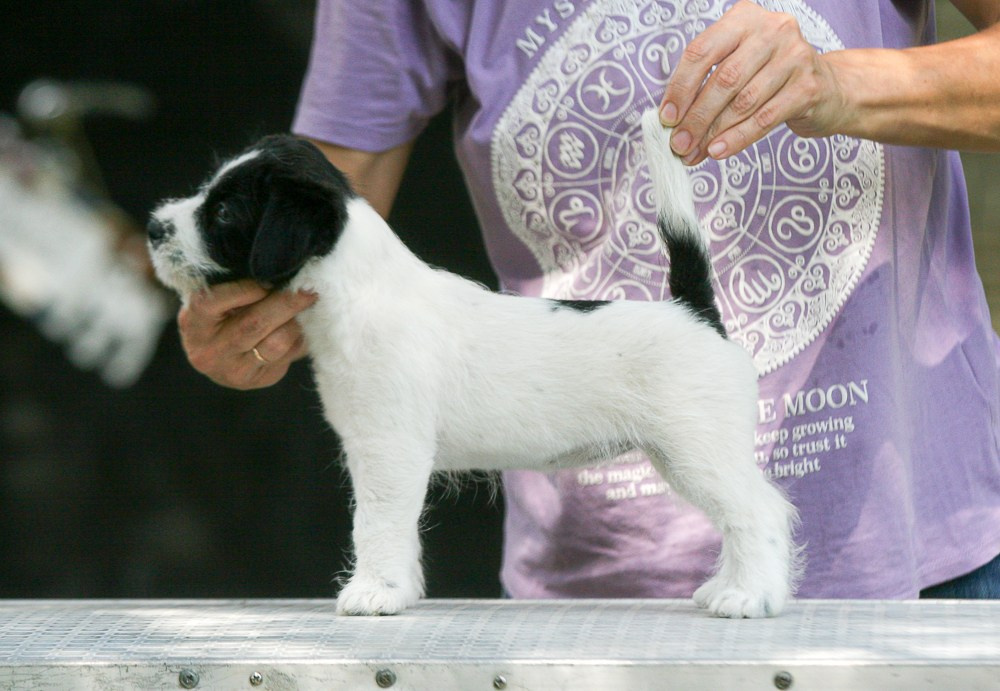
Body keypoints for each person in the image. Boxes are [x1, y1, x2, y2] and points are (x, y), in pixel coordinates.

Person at [178, 0, 1000, 599]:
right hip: (583, 589)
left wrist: (844, 84)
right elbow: (324, 195)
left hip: (929, 558)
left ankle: (757, 550)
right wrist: (246, 305)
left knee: (717, 474)